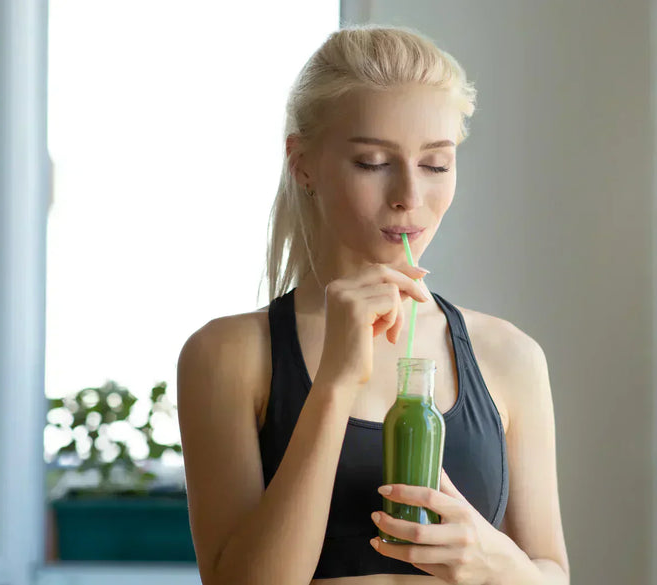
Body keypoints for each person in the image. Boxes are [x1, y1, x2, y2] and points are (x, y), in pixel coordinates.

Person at [177, 25, 569, 585]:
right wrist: (334, 383)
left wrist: (494, 562)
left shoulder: (509, 355)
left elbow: (551, 571)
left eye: (436, 164)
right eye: (372, 162)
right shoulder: (226, 355)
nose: (409, 196)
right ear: (303, 163)